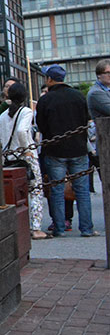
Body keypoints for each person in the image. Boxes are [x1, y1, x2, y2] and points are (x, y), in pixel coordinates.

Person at [36, 65, 98, 237]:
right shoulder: (78, 96)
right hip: (78, 149)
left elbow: (41, 125)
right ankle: (86, 228)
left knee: (56, 190)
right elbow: (86, 121)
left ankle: (59, 228)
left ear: (49, 79)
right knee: (82, 190)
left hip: (55, 150)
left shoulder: (45, 100)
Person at [0, 82, 48, 240]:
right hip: (26, 158)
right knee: (36, 191)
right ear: (25, 96)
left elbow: (1, 139)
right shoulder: (26, 111)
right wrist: (27, 148)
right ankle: (36, 227)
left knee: (15, 194)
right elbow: (21, 130)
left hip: (9, 157)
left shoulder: (3, 116)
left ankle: (17, 225)